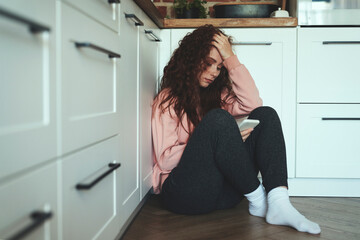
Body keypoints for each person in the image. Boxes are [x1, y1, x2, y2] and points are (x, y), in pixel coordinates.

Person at [151, 24, 321, 235]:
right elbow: (165, 159)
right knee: (218, 120)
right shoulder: (168, 100)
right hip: (184, 195)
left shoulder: (218, 96)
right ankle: (259, 198)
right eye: (208, 63)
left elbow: (253, 104)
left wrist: (230, 58)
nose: (214, 72)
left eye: (219, 67)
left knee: (266, 114)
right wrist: (214, 141)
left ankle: (279, 201)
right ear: (192, 60)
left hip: (223, 195)